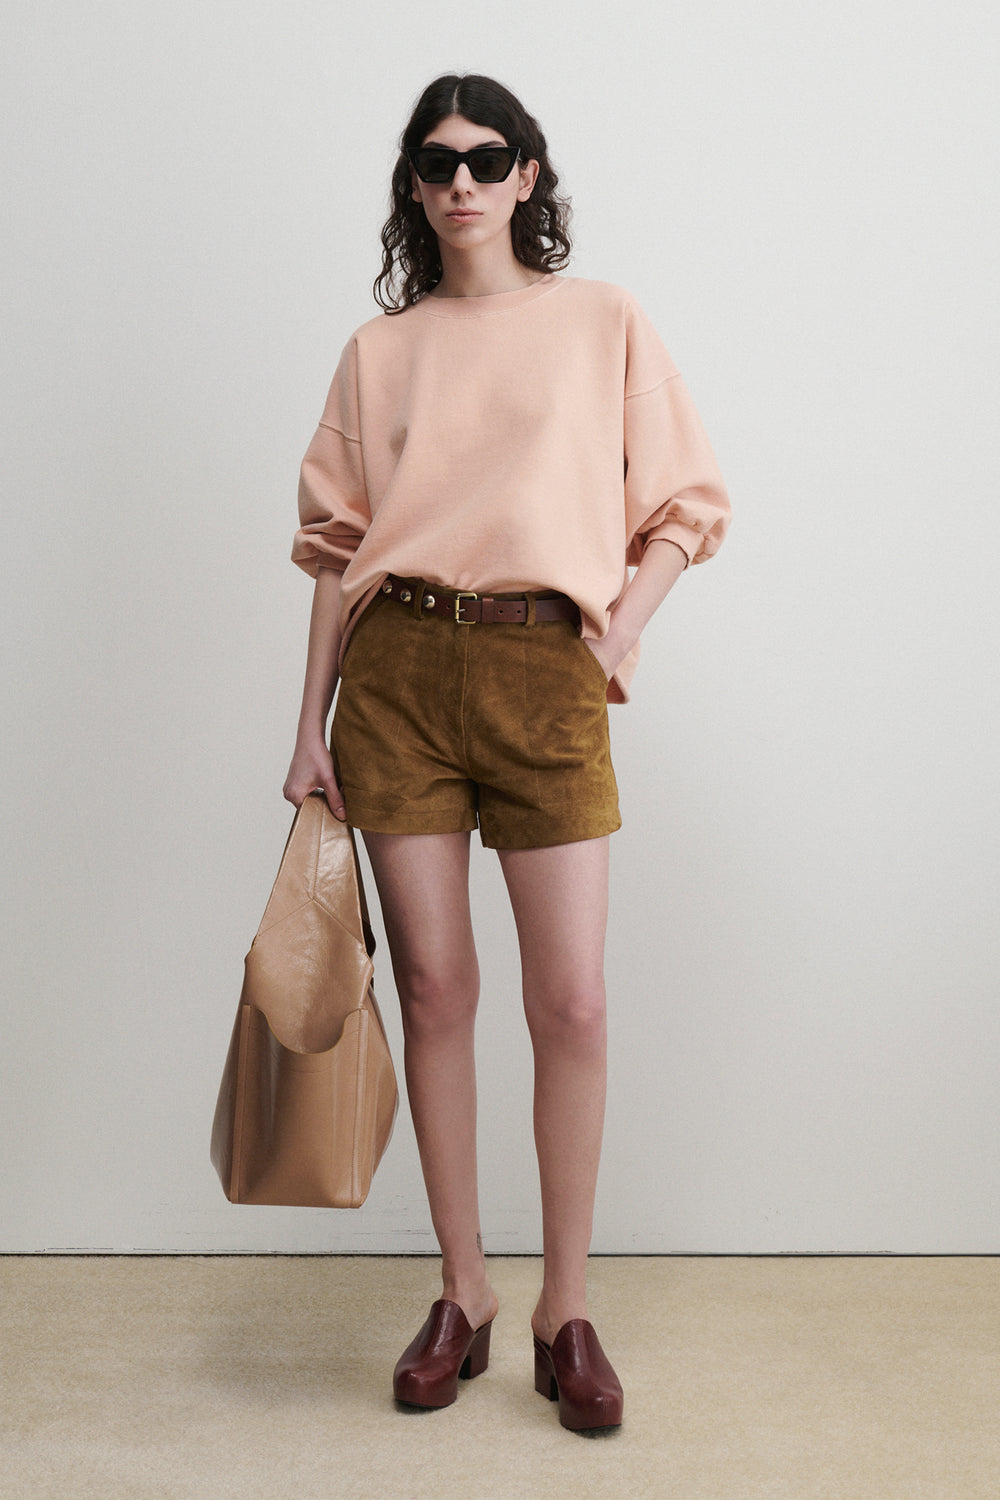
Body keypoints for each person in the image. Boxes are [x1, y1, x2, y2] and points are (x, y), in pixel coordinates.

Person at [283, 72, 731, 1432]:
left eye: (488, 158)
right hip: (400, 673)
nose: (463, 182)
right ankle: (464, 1290)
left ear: (528, 174)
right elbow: (336, 549)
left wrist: (613, 639)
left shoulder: (602, 321)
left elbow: (686, 505)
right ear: (415, 186)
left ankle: (565, 1310)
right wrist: (307, 726)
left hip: (547, 669)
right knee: (434, 990)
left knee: (572, 1002)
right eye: (438, 164)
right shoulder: (381, 351)